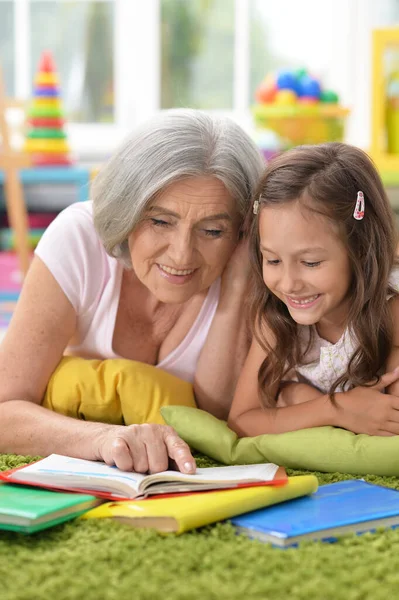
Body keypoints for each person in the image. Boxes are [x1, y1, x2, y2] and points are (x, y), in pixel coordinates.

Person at [0, 109, 264, 472]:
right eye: (160, 222)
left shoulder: (252, 265)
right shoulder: (78, 238)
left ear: (242, 232)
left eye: (213, 231)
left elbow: (217, 419)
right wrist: (102, 438)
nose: (181, 254)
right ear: (126, 209)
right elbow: (5, 408)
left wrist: (235, 290)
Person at [228, 142, 399, 438]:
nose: (289, 283)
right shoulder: (276, 317)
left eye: (310, 262)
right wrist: (335, 408)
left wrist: (293, 400)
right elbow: (242, 420)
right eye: (273, 260)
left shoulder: (390, 310)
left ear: (360, 249)